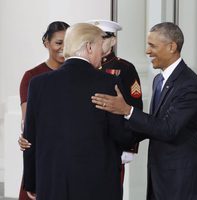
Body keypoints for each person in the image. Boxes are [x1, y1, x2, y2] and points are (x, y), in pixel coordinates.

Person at [23, 23, 136, 200]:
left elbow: (30, 137)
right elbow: (121, 135)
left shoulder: (38, 84)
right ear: (89, 47)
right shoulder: (108, 83)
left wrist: (31, 182)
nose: (103, 54)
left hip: (52, 184)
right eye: (101, 47)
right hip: (98, 186)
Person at [91, 22, 197, 200]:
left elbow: (168, 129)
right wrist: (115, 142)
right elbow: (152, 124)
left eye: (152, 46)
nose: (147, 51)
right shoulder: (159, 80)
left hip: (180, 179)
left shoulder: (188, 83)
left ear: (171, 47)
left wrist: (127, 110)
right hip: (159, 175)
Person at [18, 21, 70, 200]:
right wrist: (25, 135)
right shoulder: (32, 76)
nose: (63, 48)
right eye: (58, 42)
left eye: (67, 42)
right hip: (44, 156)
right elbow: (28, 121)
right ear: (46, 43)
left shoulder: (77, 76)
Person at [88, 19, 143, 185]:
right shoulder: (84, 65)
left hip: (114, 140)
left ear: (113, 40)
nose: (97, 41)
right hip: (88, 138)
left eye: (103, 37)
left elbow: (134, 106)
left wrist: (130, 146)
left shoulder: (125, 68)